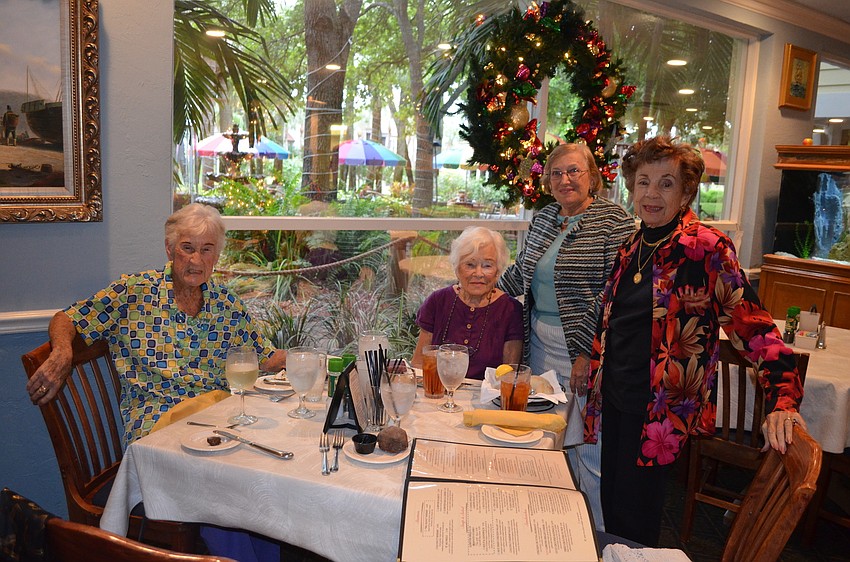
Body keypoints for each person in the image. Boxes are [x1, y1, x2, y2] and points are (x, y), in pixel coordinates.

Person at [583, 136, 806, 547]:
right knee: (614, 509)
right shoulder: (632, 245)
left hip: (658, 412)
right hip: (615, 399)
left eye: (666, 183)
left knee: (636, 523)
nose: (651, 193)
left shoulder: (704, 248)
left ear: (686, 191)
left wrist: (784, 399)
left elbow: (753, 326)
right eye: (643, 182)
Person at [498, 142, 635, 529]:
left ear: (592, 176)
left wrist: (586, 353)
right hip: (538, 346)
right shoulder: (544, 219)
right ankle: (553, 528)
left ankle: (599, 536)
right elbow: (520, 275)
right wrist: (477, 289)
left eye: (574, 171)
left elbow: (613, 293)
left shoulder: (614, 222)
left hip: (582, 349)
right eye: (556, 174)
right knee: (546, 440)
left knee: (590, 449)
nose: (565, 180)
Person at [412, 226, 523, 379]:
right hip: (439, 395)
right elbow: (418, 364)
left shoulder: (511, 310)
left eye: (487, 265)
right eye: (470, 265)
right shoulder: (437, 301)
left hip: (486, 399)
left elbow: (508, 376)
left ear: (498, 271)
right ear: (457, 268)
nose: (478, 273)